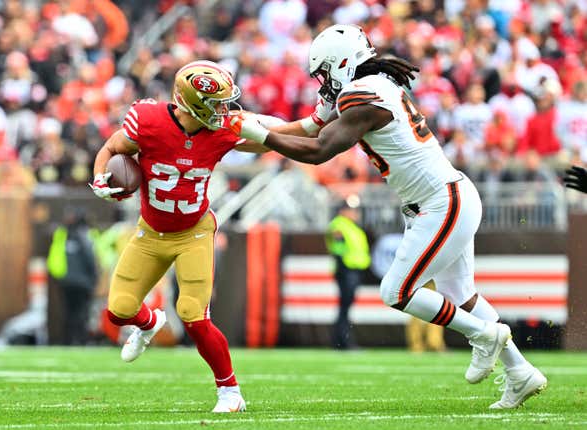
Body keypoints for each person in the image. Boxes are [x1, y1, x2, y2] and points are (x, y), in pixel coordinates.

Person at [229, 24, 547, 409]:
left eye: (325, 72)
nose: (323, 83)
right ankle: (520, 372)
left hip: (442, 202)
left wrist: (261, 136)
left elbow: (317, 150)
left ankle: (482, 335)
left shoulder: (364, 96)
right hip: (445, 198)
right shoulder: (370, 85)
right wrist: (244, 128)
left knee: (396, 292)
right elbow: (304, 129)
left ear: (342, 63)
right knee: (461, 296)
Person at [89, 60, 331, 412]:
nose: (224, 110)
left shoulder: (223, 128)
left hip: (194, 232)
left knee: (192, 313)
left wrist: (315, 121)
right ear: (193, 102)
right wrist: (99, 178)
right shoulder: (147, 119)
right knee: (119, 310)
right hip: (151, 231)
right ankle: (150, 323)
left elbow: (273, 134)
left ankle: (230, 392)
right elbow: (112, 148)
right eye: (216, 103)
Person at [47, 206, 99, 345]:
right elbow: (90, 258)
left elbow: (54, 257)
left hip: (66, 280)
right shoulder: (87, 235)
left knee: (69, 312)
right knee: (82, 312)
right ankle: (81, 340)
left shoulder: (62, 234)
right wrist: (94, 278)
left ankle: (69, 340)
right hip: (83, 282)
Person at [324, 195, 371, 349]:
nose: (355, 213)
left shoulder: (352, 226)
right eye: (351, 210)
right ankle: (342, 342)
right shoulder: (339, 225)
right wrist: (343, 267)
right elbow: (339, 249)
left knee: (346, 307)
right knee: (344, 308)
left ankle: (341, 341)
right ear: (343, 210)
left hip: (353, 271)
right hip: (346, 270)